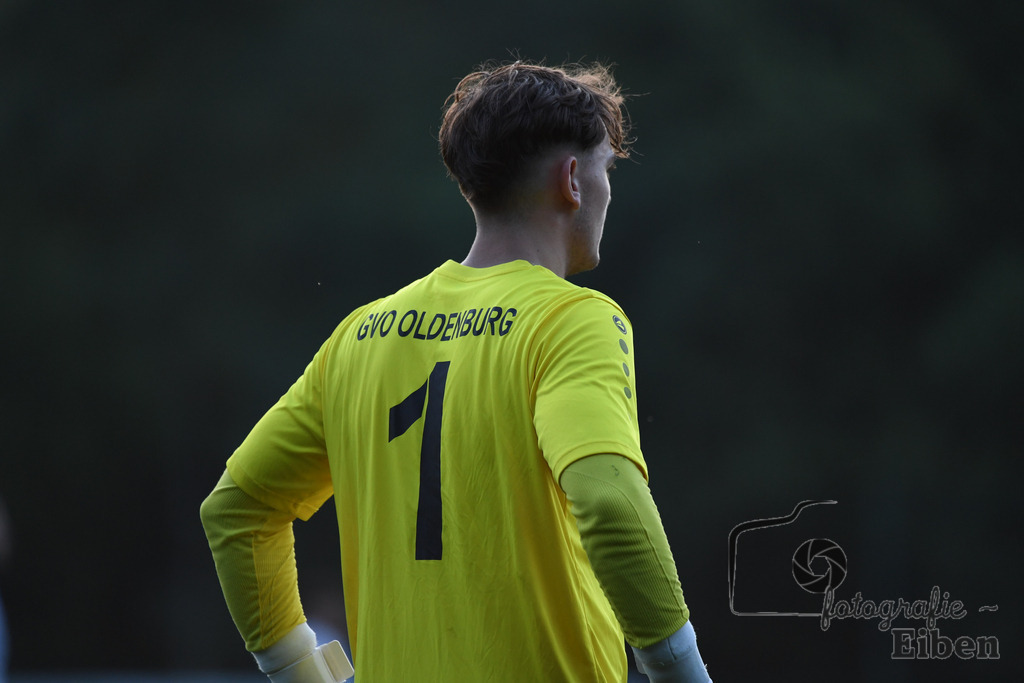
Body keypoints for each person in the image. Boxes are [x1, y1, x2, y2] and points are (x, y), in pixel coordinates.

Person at [201, 60, 712, 683]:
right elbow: (609, 502)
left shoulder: (361, 334)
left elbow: (237, 509)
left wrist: (300, 672)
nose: (609, 190)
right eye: (607, 168)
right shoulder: (571, 320)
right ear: (573, 179)